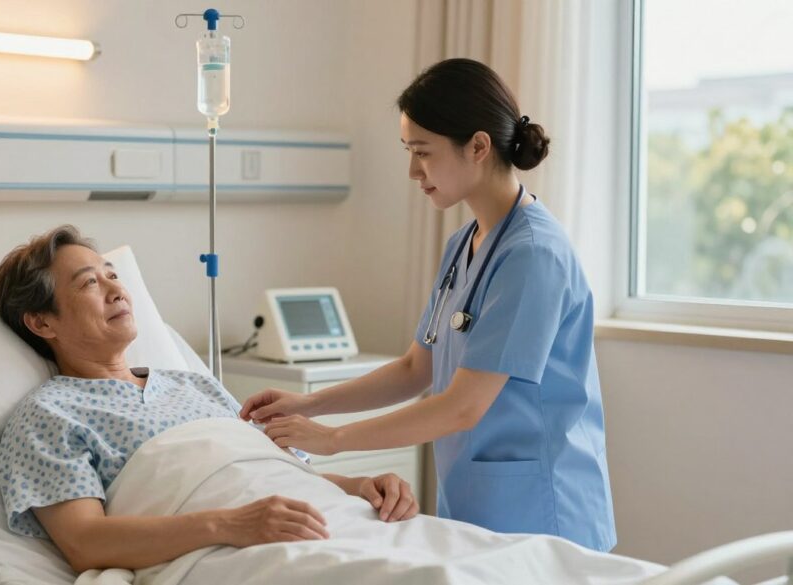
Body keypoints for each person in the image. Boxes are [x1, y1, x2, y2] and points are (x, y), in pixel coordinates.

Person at [240, 58, 616, 552]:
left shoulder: (533, 255)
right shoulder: (465, 242)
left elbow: (463, 407)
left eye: (423, 152)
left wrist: (333, 440)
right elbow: (417, 367)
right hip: (479, 505)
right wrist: (311, 404)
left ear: (478, 146)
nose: (413, 171)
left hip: (545, 512)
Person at [0, 225, 418, 572]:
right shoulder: (49, 414)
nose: (116, 291)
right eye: (89, 283)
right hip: (231, 553)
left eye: (112, 275)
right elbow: (86, 543)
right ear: (42, 322)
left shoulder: (194, 384)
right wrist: (230, 524)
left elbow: (272, 477)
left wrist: (359, 487)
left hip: (326, 521)